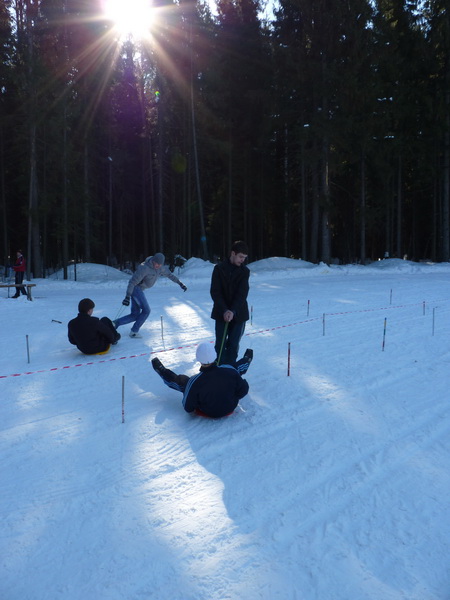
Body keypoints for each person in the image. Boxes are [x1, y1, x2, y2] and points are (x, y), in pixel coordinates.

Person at [151, 342, 253, 418]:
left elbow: (188, 407)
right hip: (230, 406)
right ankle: (246, 360)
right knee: (234, 369)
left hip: (208, 411)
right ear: (215, 356)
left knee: (184, 382)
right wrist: (232, 396)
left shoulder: (194, 381)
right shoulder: (230, 371)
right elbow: (244, 389)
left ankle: (163, 372)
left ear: (198, 358)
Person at [114, 252, 187, 338]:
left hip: (139, 290)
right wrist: (127, 296)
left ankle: (114, 324)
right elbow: (132, 282)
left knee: (135, 314)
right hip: (136, 289)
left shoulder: (160, 268)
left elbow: (170, 275)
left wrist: (180, 283)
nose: (158, 266)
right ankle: (134, 331)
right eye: (157, 263)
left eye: (160, 264)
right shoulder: (144, 268)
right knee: (146, 311)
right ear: (153, 261)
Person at [210, 240, 250, 365]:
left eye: (244, 257)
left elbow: (242, 294)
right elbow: (215, 292)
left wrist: (232, 310)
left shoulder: (245, 271)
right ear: (233, 253)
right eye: (240, 257)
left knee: (233, 345)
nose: (242, 260)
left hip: (238, 313)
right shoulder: (218, 269)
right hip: (221, 312)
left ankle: (230, 370)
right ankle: (218, 369)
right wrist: (224, 310)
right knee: (220, 345)